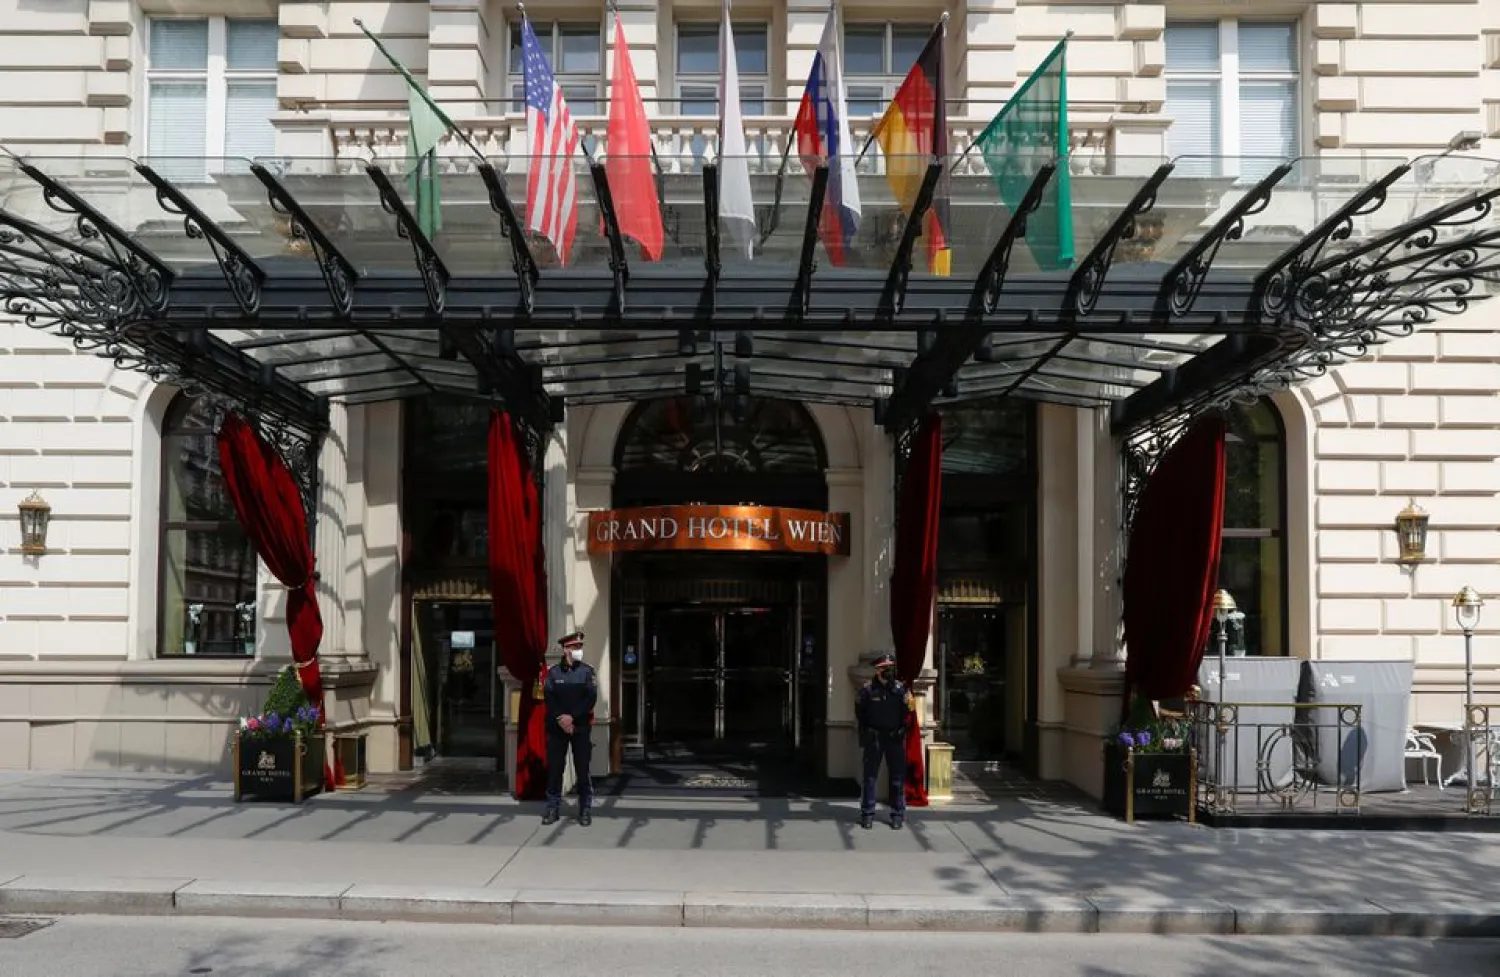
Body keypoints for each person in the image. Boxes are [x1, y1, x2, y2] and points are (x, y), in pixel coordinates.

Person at [542, 630, 597, 826]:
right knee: (556, 769)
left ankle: (585, 809)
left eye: (580, 647)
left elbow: (590, 699)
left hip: (580, 728)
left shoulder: (587, 671)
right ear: (565, 649)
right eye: (575, 647)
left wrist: (572, 717)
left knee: (582, 769)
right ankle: (552, 808)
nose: (578, 650)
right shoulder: (553, 673)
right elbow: (549, 698)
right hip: (557, 728)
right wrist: (561, 719)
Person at [855, 653, 913, 829]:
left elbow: (909, 711)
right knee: (870, 777)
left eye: (891, 667)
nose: (889, 671)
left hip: (894, 738)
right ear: (877, 670)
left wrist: (903, 728)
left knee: (897, 778)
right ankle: (867, 813)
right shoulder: (867, 690)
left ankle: (897, 814)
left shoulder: (901, 689)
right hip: (875, 738)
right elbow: (859, 712)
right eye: (885, 668)